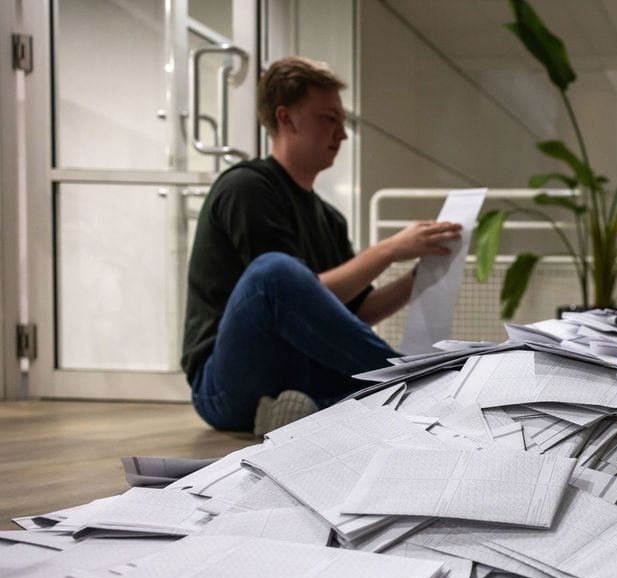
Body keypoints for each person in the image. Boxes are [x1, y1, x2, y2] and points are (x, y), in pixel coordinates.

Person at [181, 57, 461, 434]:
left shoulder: (329, 218)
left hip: (294, 377)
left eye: (342, 122)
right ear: (286, 119)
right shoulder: (247, 188)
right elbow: (282, 297)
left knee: (345, 378)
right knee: (274, 272)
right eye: (329, 119)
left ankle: (314, 411)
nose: (342, 134)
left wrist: (423, 275)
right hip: (224, 386)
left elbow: (351, 313)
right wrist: (389, 249)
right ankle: (416, 383)